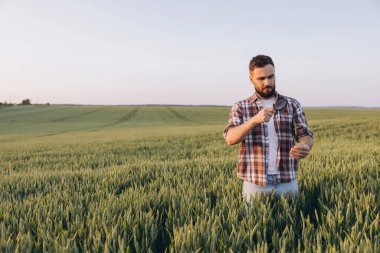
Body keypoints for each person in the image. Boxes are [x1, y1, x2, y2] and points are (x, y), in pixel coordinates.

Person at [223, 55, 313, 202]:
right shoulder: (241, 107)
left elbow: (305, 134)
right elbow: (230, 138)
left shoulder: (292, 104)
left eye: (271, 77)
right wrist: (254, 120)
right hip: (255, 183)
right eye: (261, 78)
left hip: (287, 180)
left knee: (292, 224)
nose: (267, 82)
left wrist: (305, 145)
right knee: (253, 224)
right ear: (251, 79)